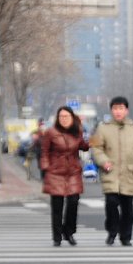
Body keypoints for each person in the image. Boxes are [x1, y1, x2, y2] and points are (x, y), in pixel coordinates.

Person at [90, 96, 133, 246]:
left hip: (128, 174)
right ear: (111, 110)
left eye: (121, 108)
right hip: (110, 173)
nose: (118, 112)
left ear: (126, 110)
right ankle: (112, 231)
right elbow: (95, 148)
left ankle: (126, 236)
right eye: (115, 108)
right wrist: (104, 161)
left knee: (127, 209)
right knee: (111, 204)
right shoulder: (102, 127)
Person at [40, 106, 89, 247]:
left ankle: (69, 232)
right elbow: (44, 152)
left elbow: (83, 146)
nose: (64, 119)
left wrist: (91, 142)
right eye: (61, 116)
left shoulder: (77, 132)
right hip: (55, 172)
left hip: (73, 172)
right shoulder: (51, 132)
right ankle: (57, 236)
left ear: (72, 118)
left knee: (73, 202)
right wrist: (45, 167)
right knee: (57, 206)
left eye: (67, 116)